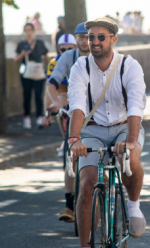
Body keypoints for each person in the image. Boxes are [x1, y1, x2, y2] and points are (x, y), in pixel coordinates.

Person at [68, 17, 146, 246]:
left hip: (124, 126)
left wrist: (131, 142)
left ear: (113, 39)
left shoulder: (129, 66)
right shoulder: (80, 67)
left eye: (101, 37)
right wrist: (74, 140)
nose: (95, 42)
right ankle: (85, 245)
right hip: (93, 130)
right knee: (87, 183)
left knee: (130, 159)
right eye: (91, 37)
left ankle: (133, 206)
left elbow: (135, 107)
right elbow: (77, 106)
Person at [45, 23, 90, 223]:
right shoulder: (67, 58)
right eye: (79, 37)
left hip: (99, 114)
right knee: (70, 156)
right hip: (75, 112)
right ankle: (69, 206)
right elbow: (52, 83)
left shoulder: (101, 55)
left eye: (87, 36)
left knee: (103, 152)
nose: (84, 40)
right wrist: (54, 102)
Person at [15, 23, 50, 129]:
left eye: (30, 30)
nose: (28, 32)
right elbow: (16, 60)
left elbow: (46, 57)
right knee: (27, 96)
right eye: (26, 30)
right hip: (26, 74)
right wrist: (23, 54)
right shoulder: (22, 44)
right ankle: (27, 118)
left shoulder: (40, 43)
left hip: (39, 73)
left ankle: (39, 117)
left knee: (39, 96)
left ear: (34, 31)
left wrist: (52, 68)